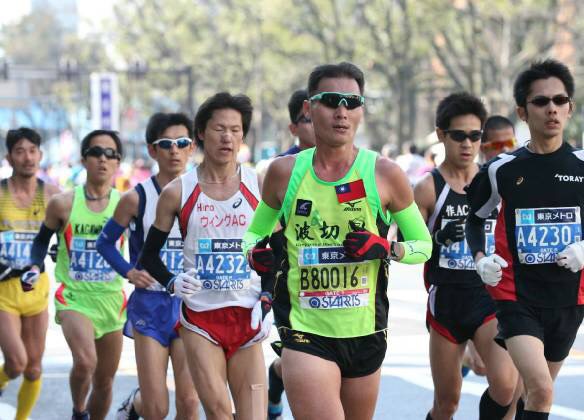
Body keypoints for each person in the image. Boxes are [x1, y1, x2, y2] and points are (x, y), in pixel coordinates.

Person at [243, 62, 432, 420]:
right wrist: (255, 253)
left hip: (366, 329)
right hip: (304, 329)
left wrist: (387, 248)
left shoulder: (385, 174)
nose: (342, 111)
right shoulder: (283, 173)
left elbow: (424, 245)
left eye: (352, 102)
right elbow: (254, 234)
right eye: (331, 101)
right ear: (309, 108)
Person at [139, 92, 271, 419]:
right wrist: (172, 282)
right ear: (201, 132)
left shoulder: (261, 186)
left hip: (247, 316)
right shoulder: (177, 191)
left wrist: (267, 296)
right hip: (200, 319)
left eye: (236, 130)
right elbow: (149, 255)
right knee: (219, 413)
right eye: (219, 129)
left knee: (254, 414)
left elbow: (280, 252)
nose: (228, 137)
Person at [466, 59, 584, 420]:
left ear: (570, 108)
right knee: (542, 390)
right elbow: (475, 218)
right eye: (541, 101)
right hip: (517, 296)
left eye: (560, 100)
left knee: (528, 400)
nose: (551, 108)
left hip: (569, 296)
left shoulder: (582, 164)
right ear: (522, 110)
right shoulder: (502, 169)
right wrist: (481, 257)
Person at [414, 92, 517, 420]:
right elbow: (409, 246)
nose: (468, 144)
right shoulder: (428, 188)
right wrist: (435, 238)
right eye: (459, 135)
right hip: (447, 304)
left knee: (505, 387)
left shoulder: (498, 180)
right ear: (441, 135)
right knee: (447, 404)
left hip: (489, 300)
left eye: (475, 136)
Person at [96, 113, 199, 420]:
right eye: (166, 144)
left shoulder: (204, 193)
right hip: (150, 305)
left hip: (190, 305)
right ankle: (136, 404)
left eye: (182, 143)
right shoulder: (135, 198)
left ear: (192, 147)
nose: (175, 151)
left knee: (190, 402)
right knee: (156, 409)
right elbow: (104, 243)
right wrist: (129, 271)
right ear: (152, 151)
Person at [24, 130, 125, 420]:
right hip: (74, 297)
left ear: (118, 162)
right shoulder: (64, 203)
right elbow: (41, 241)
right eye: (96, 152)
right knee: (85, 362)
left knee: (105, 382)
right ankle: (79, 411)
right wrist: (35, 266)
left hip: (112, 300)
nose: (103, 159)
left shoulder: (127, 204)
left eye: (111, 154)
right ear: (83, 159)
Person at [0, 128, 60, 420]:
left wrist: (61, 250)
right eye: (20, 151)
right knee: (16, 363)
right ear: (9, 156)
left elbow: (68, 236)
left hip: (37, 291)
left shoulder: (51, 195)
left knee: (34, 368)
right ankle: (2, 382)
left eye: (33, 150)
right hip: (4, 293)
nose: (28, 157)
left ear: (40, 155)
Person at [267, 88, 317, 420]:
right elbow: (263, 234)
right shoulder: (281, 172)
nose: (318, 124)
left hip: (343, 292)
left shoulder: (356, 167)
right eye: (307, 119)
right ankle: (277, 377)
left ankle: (277, 371)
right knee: (307, 371)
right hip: (291, 287)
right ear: (293, 127)